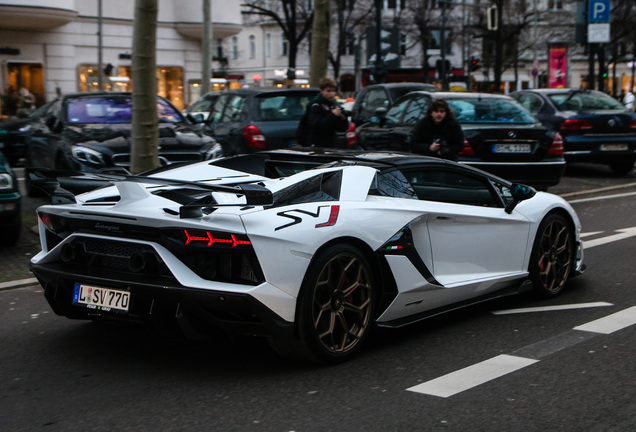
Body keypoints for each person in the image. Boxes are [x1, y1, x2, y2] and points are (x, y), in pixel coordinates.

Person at [304, 78, 349, 147]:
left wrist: (343, 119)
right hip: (317, 143)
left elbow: (341, 128)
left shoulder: (333, 104)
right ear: (321, 91)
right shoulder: (316, 106)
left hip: (331, 142)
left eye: (333, 91)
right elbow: (318, 126)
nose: (331, 94)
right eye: (328, 91)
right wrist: (332, 115)